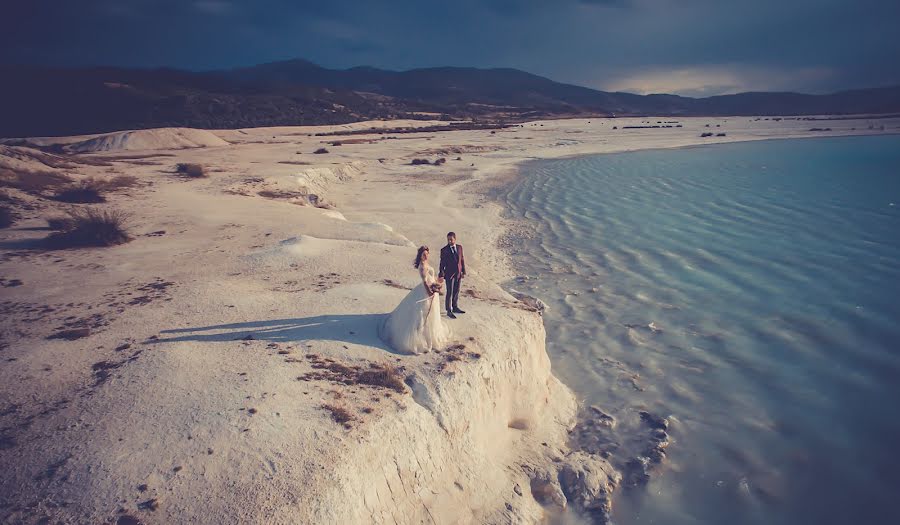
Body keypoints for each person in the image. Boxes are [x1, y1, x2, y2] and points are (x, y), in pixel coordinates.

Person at [379, 246, 450, 354]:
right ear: (420, 255)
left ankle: (429, 334)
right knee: (422, 313)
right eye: (423, 254)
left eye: (427, 254)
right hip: (426, 290)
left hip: (432, 289)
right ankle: (420, 337)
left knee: (432, 313)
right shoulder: (422, 266)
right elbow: (425, 282)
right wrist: (430, 292)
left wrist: (438, 282)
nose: (426, 256)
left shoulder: (427, 264)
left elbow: (432, 278)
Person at [439, 232, 466, 319]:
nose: (449, 241)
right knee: (449, 292)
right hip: (449, 274)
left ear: (455, 239)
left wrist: (463, 271)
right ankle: (448, 310)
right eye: (448, 239)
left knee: (456, 290)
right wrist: (441, 273)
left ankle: (455, 307)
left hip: (458, 273)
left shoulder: (459, 247)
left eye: (451, 239)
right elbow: (442, 263)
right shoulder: (444, 250)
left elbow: (462, 259)